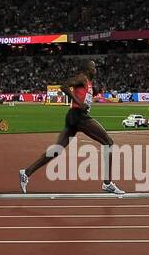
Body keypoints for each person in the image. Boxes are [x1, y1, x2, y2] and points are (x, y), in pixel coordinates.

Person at [18, 60, 126, 195]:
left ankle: (26, 173)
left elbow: (85, 94)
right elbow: (64, 87)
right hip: (78, 115)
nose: (95, 70)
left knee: (56, 150)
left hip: (74, 117)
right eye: (93, 67)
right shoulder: (82, 77)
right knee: (108, 142)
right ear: (87, 69)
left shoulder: (89, 82)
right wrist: (80, 103)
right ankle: (107, 183)